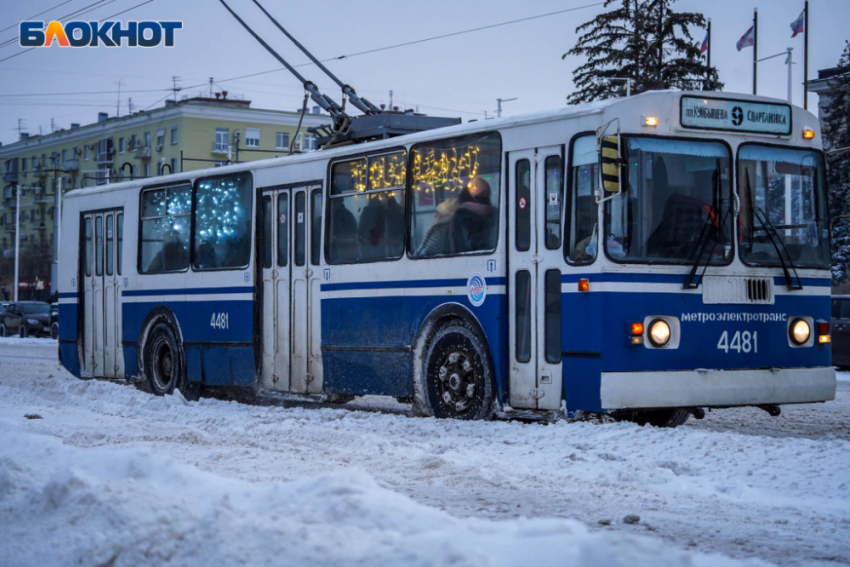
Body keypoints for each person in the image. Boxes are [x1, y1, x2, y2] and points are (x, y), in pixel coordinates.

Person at [451, 178, 496, 253]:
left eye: (487, 194)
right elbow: (469, 242)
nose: (485, 196)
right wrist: (491, 233)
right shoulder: (462, 215)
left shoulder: (493, 211)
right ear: (471, 196)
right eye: (481, 194)